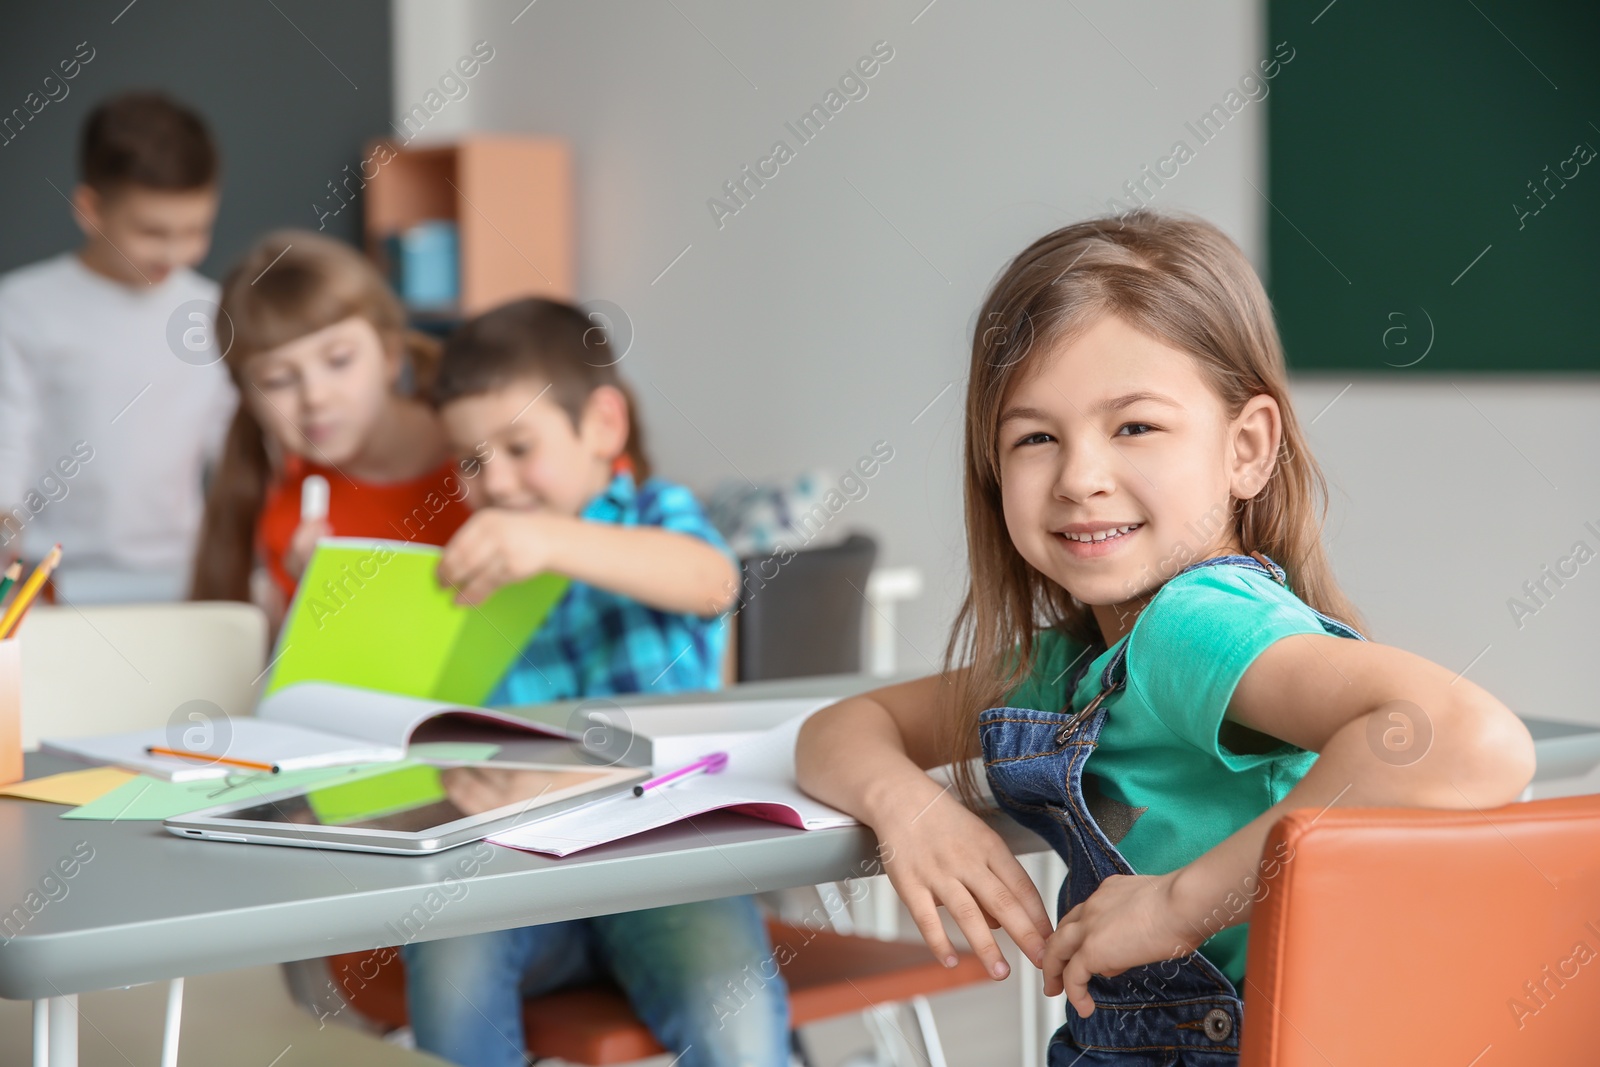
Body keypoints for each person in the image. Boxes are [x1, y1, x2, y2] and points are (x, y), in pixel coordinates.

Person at [794, 209, 1534, 1065]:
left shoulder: (1191, 624)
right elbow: (838, 729)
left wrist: (1181, 903)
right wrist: (910, 807)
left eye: (1134, 426)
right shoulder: (1062, 671)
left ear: (1247, 449)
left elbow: (1469, 739)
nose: (1079, 477)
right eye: (1036, 437)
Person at [399, 297, 789, 1067]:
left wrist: (548, 541)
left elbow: (712, 581)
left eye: (518, 446)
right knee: (448, 959)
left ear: (603, 426)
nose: (497, 481)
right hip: (518, 868)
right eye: (472, 461)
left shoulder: (653, 514)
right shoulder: (472, 574)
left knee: (734, 1021)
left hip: (664, 865)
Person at [0, 91, 236, 601]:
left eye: (196, 230)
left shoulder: (212, 311)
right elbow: (9, 444)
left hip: (184, 579)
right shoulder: (22, 308)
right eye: (152, 232)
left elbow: (234, 448)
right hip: (52, 581)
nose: (176, 253)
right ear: (90, 209)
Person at [189, 231, 470, 625]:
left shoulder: (490, 454)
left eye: (339, 360)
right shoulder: (293, 523)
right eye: (277, 381)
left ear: (390, 355)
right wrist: (318, 602)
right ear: (249, 400)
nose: (315, 397)